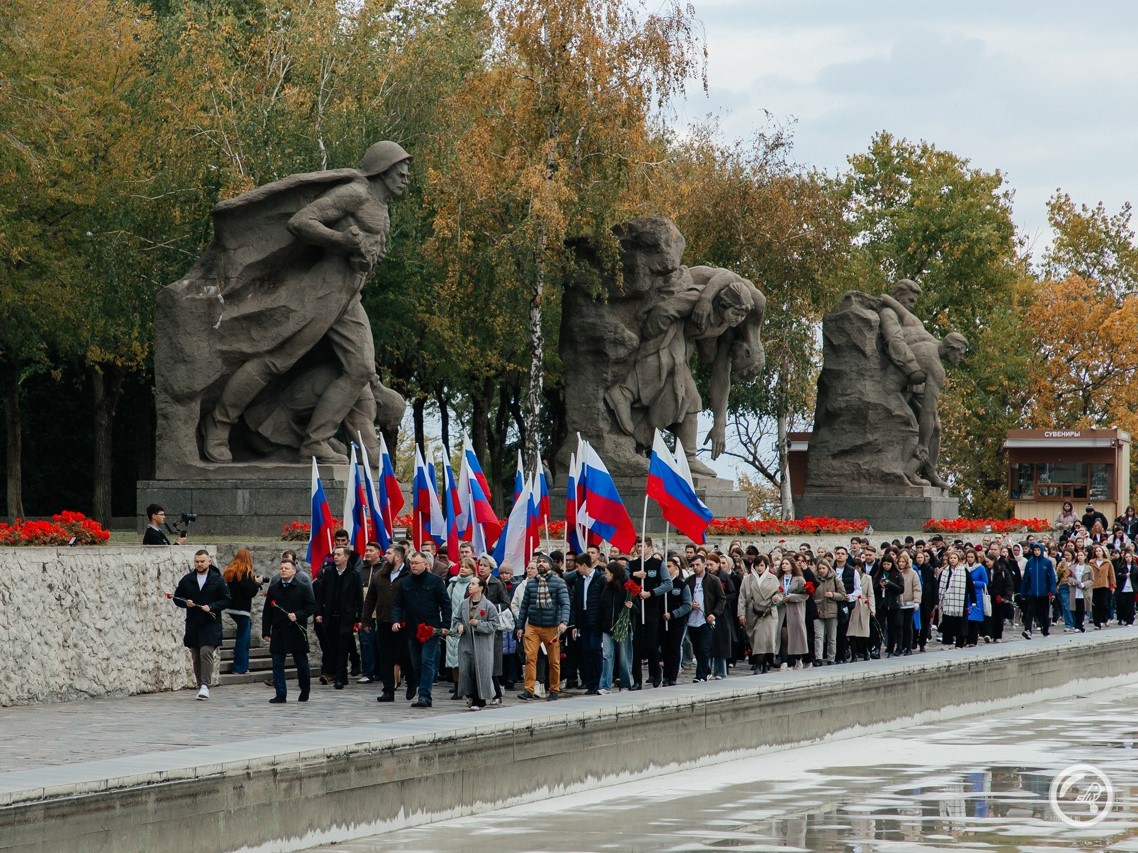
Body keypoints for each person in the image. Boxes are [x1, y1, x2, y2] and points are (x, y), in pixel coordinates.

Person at [201, 141, 412, 464]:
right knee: (276, 360)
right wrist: (339, 240)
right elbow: (301, 222)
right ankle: (219, 424)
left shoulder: (382, 208)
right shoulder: (355, 193)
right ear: (382, 169)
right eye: (400, 170)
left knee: (361, 369)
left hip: (351, 297)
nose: (406, 176)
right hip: (323, 291)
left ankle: (315, 442)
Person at [391, 550, 451, 708]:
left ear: (426, 565)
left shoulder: (435, 581)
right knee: (416, 663)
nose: (414, 566)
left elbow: (445, 603)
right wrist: (396, 620)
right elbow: (398, 604)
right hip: (412, 628)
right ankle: (418, 686)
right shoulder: (405, 582)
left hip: (431, 628)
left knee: (427, 661)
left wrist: (445, 625)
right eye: (412, 563)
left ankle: (425, 695)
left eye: (417, 563)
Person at [173, 550, 230, 700]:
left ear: (209, 561)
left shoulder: (217, 580)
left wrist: (211, 606)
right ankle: (200, 686)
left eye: (202, 561)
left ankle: (205, 685)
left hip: (210, 623)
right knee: (196, 656)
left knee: (206, 652)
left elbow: (226, 599)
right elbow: (177, 597)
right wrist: (185, 602)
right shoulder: (187, 579)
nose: (199, 564)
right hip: (193, 623)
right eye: (197, 561)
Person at [515, 554, 570, 701]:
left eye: (544, 562)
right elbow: (524, 606)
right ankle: (529, 690)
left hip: (552, 627)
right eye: (538, 561)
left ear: (550, 565)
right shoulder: (531, 583)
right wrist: (520, 626)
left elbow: (565, 603)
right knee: (530, 658)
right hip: (533, 626)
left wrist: (563, 621)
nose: (540, 564)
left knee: (553, 661)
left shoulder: (559, 583)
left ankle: (554, 689)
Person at [262, 558, 315, 703]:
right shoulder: (274, 588)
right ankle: (280, 694)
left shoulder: (303, 587)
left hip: (296, 630)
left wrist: (298, 615)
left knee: (301, 662)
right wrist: (266, 631)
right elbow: (267, 611)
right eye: (281, 568)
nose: (283, 570)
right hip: (279, 630)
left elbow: (311, 607)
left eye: (286, 568)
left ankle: (305, 690)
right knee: (277, 662)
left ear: (294, 571)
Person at [363, 544, 410, 702]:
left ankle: (411, 681)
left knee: (405, 656)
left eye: (389, 553)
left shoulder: (409, 574)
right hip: (384, 621)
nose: (385, 556)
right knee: (385, 657)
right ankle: (388, 690)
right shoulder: (379, 575)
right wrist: (366, 620)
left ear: (398, 557)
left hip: (404, 624)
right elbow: (370, 599)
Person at [314, 545, 362, 689]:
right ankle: (334, 673)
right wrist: (318, 613)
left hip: (346, 617)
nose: (335, 557)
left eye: (339, 555)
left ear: (346, 557)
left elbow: (359, 598)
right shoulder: (328, 572)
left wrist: (359, 618)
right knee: (331, 646)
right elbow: (321, 595)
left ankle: (341, 677)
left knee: (342, 647)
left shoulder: (354, 574)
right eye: (335, 554)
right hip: (330, 615)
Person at [451, 575, 499, 710]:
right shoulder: (464, 603)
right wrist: (459, 626)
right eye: (470, 584)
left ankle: (480, 699)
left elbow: (495, 624)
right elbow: (456, 619)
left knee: (481, 670)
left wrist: (479, 624)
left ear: (481, 587)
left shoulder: (489, 606)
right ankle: (470, 695)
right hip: (466, 642)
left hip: (482, 644)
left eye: (473, 584)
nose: (470, 586)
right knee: (466, 670)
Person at [628, 538, 669, 689]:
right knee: (636, 646)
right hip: (636, 608)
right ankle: (637, 680)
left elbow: (667, 584)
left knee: (652, 644)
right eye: (638, 546)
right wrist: (635, 575)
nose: (639, 549)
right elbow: (625, 579)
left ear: (649, 548)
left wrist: (651, 593)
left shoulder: (658, 564)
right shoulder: (632, 564)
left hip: (651, 609)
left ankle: (657, 674)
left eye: (642, 546)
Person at [569, 552, 605, 695]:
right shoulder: (579, 580)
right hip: (583, 619)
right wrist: (575, 624)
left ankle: (599, 682)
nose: (576, 569)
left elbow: (603, 602)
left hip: (595, 620)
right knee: (585, 652)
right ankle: (590, 683)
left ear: (584, 565)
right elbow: (577, 603)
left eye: (578, 566)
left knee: (595, 650)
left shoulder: (600, 579)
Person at [685, 554, 724, 682]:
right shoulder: (689, 581)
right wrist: (690, 604)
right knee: (696, 648)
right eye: (693, 565)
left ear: (704, 564)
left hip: (706, 619)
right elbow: (684, 598)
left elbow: (721, 599)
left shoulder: (713, 580)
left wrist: (714, 614)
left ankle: (700, 675)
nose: (695, 567)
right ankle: (706, 671)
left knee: (704, 647)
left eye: (698, 564)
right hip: (692, 620)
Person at [222, 547, 261, 675]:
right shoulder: (246, 573)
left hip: (231, 608)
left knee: (245, 631)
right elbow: (249, 591)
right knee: (243, 639)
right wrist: (257, 583)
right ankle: (239, 667)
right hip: (242, 609)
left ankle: (243, 665)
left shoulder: (230, 571)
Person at [598, 561, 634, 693]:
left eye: (607, 573)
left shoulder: (627, 588)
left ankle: (625, 684)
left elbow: (637, 608)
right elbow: (602, 607)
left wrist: (632, 606)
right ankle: (605, 685)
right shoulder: (606, 588)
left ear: (613, 574)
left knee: (624, 657)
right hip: (607, 628)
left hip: (622, 628)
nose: (605, 575)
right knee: (607, 655)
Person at [445, 559, 476, 698]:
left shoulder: (474, 584)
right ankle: (457, 686)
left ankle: (467, 686)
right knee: (453, 657)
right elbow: (446, 601)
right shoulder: (453, 583)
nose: (462, 569)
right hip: (453, 623)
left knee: (466, 657)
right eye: (461, 566)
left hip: (468, 624)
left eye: (466, 567)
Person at [660, 554, 692, 685]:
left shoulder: (681, 585)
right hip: (662, 622)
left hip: (676, 622)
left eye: (669, 566)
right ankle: (665, 676)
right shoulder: (660, 585)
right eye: (665, 567)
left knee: (674, 648)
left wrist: (673, 614)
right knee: (664, 649)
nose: (666, 569)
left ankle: (672, 676)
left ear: (676, 568)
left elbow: (687, 605)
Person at [355, 541, 384, 684]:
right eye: (366, 550)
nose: (367, 553)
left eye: (370, 550)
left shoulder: (384, 568)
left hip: (381, 613)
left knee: (382, 644)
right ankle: (368, 672)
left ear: (378, 552)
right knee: (366, 644)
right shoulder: (360, 570)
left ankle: (381, 672)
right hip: (365, 614)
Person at [811, 559, 846, 666]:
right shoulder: (815, 580)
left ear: (828, 568)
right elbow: (811, 595)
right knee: (819, 635)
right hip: (818, 611)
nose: (821, 570)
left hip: (832, 611)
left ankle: (831, 658)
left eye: (823, 568)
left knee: (831, 637)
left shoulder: (835, 580)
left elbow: (843, 595)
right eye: (819, 568)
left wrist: (833, 595)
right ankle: (818, 658)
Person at [1020, 542, 1056, 639]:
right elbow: (1025, 579)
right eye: (1035, 550)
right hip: (1031, 592)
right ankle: (1028, 630)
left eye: (1038, 550)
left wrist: (1052, 591)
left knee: (1044, 612)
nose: (1036, 552)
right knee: (1030, 611)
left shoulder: (1047, 563)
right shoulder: (1030, 562)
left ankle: (1045, 630)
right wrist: (1023, 592)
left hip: (1044, 592)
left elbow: (1052, 578)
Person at [1088, 544, 1115, 629]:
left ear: (1103, 552)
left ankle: (1105, 618)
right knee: (1095, 605)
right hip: (1094, 586)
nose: (1098, 552)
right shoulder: (1091, 562)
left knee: (1104, 604)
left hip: (1104, 585)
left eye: (1100, 551)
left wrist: (1112, 585)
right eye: (1096, 551)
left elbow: (1111, 574)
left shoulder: (1107, 562)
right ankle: (1097, 623)